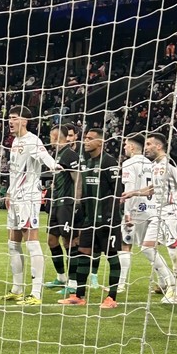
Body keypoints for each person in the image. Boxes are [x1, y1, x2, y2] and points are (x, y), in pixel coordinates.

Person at [0, 106, 60, 305]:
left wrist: (54, 166)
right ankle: (17, 289)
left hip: (28, 197)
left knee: (31, 242)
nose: (10, 121)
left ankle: (36, 293)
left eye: (14, 118)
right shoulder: (15, 141)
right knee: (13, 243)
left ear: (24, 121)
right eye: (9, 118)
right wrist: (9, 192)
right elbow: (15, 172)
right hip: (15, 197)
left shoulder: (33, 140)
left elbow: (44, 156)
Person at [58, 128, 123, 308]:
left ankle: (112, 298)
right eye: (85, 138)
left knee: (111, 255)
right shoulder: (86, 162)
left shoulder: (109, 162)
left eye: (90, 138)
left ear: (100, 142)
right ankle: (79, 295)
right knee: (83, 252)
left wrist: (111, 216)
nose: (85, 141)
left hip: (107, 220)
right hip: (89, 219)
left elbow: (117, 191)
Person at [121, 132, 177, 304]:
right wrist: (133, 193)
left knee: (174, 252)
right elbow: (153, 188)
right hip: (159, 213)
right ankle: (170, 282)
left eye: (149, 144)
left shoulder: (169, 164)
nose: (146, 148)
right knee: (146, 248)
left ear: (159, 146)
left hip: (172, 212)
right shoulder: (154, 165)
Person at [44, 124, 81, 291]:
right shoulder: (57, 154)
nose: (51, 139)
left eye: (52, 136)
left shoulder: (70, 154)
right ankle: (61, 277)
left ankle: (73, 283)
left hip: (67, 204)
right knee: (52, 240)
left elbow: (77, 178)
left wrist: (77, 202)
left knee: (69, 241)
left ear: (57, 136)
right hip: (56, 203)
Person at [118, 133, 155, 294]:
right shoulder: (150, 163)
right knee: (149, 247)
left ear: (132, 147)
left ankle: (120, 284)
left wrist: (127, 212)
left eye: (126, 144)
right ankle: (164, 281)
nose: (124, 147)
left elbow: (129, 189)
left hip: (135, 210)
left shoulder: (128, 163)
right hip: (151, 209)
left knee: (125, 245)